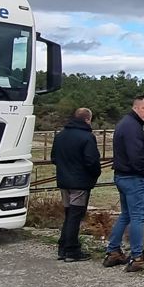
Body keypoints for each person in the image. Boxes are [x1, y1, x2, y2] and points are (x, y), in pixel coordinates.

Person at [103, 95, 144, 272]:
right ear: (136, 107)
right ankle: (137, 257)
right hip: (134, 178)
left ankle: (113, 252)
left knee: (126, 214)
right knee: (138, 217)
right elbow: (135, 156)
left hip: (122, 176)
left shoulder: (125, 123)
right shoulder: (132, 127)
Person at [51, 107, 102, 262]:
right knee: (75, 215)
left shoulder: (60, 136)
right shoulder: (87, 137)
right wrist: (94, 174)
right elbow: (91, 161)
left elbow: (54, 158)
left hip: (64, 181)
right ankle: (72, 250)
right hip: (79, 183)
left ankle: (62, 247)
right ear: (88, 119)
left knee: (69, 214)